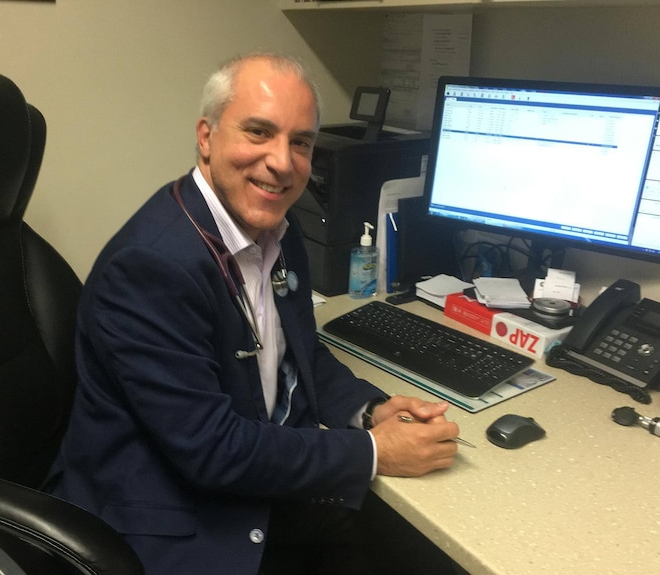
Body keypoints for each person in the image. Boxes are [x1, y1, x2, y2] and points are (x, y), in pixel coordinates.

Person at [47, 51, 461, 575]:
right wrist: (374, 453)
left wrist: (369, 411)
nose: (283, 162)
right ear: (206, 136)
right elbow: (212, 450)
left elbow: (300, 352)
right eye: (259, 132)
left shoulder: (273, 231)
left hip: (254, 488)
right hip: (171, 525)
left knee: (423, 553)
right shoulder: (150, 267)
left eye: (300, 143)